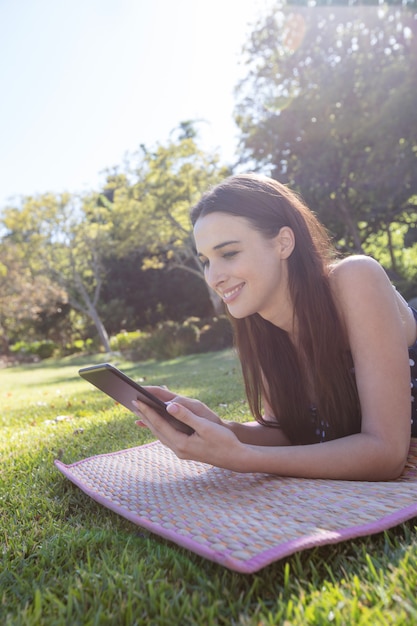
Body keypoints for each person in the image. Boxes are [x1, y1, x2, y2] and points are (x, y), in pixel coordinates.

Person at [132, 173, 417, 481]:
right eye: (206, 261)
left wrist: (246, 458)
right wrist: (220, 429)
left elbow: (387, 454)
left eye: (228, 254)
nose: (214, 277)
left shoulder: (354, 280)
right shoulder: (260, 322)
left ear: (283, 242)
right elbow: (287, 432)